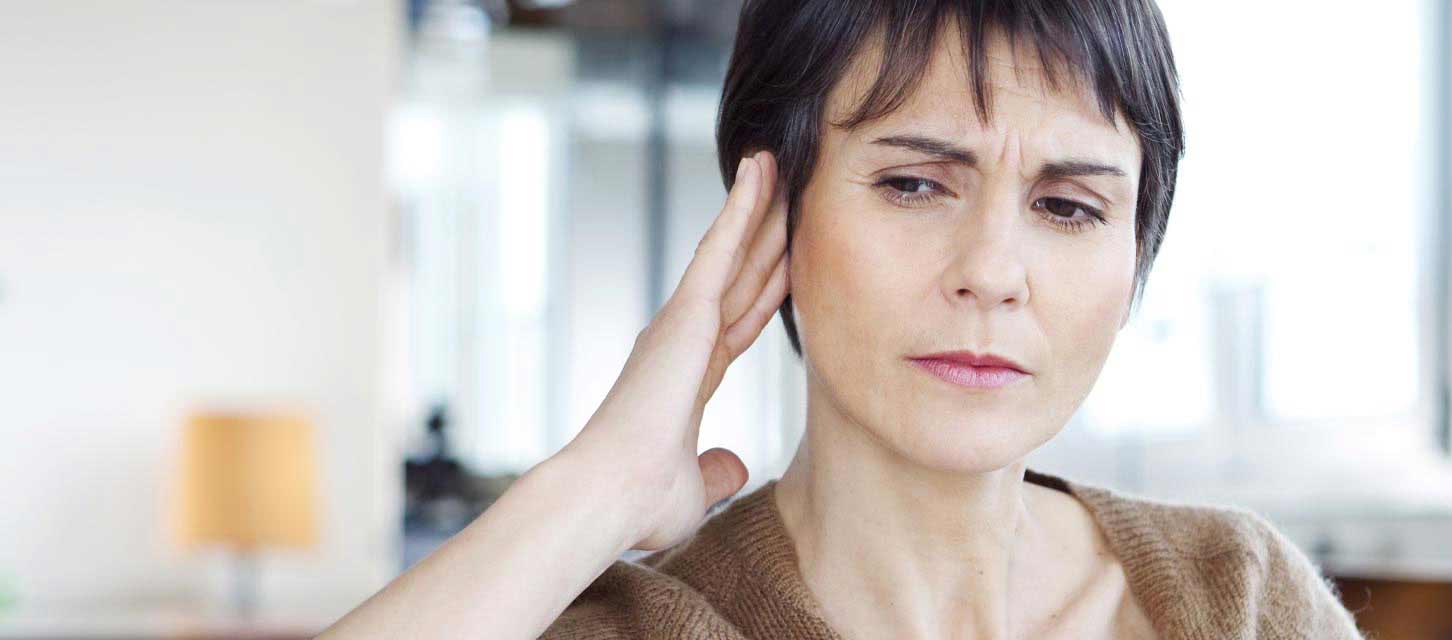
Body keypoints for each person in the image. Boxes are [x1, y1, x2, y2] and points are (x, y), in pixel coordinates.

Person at [322, 0, 1364, 638]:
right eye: (915, 184)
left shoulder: (1238, 598)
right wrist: (596, 488)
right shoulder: (653, 631)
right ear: (771, 211)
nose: (994, 272)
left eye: (1068, 206)